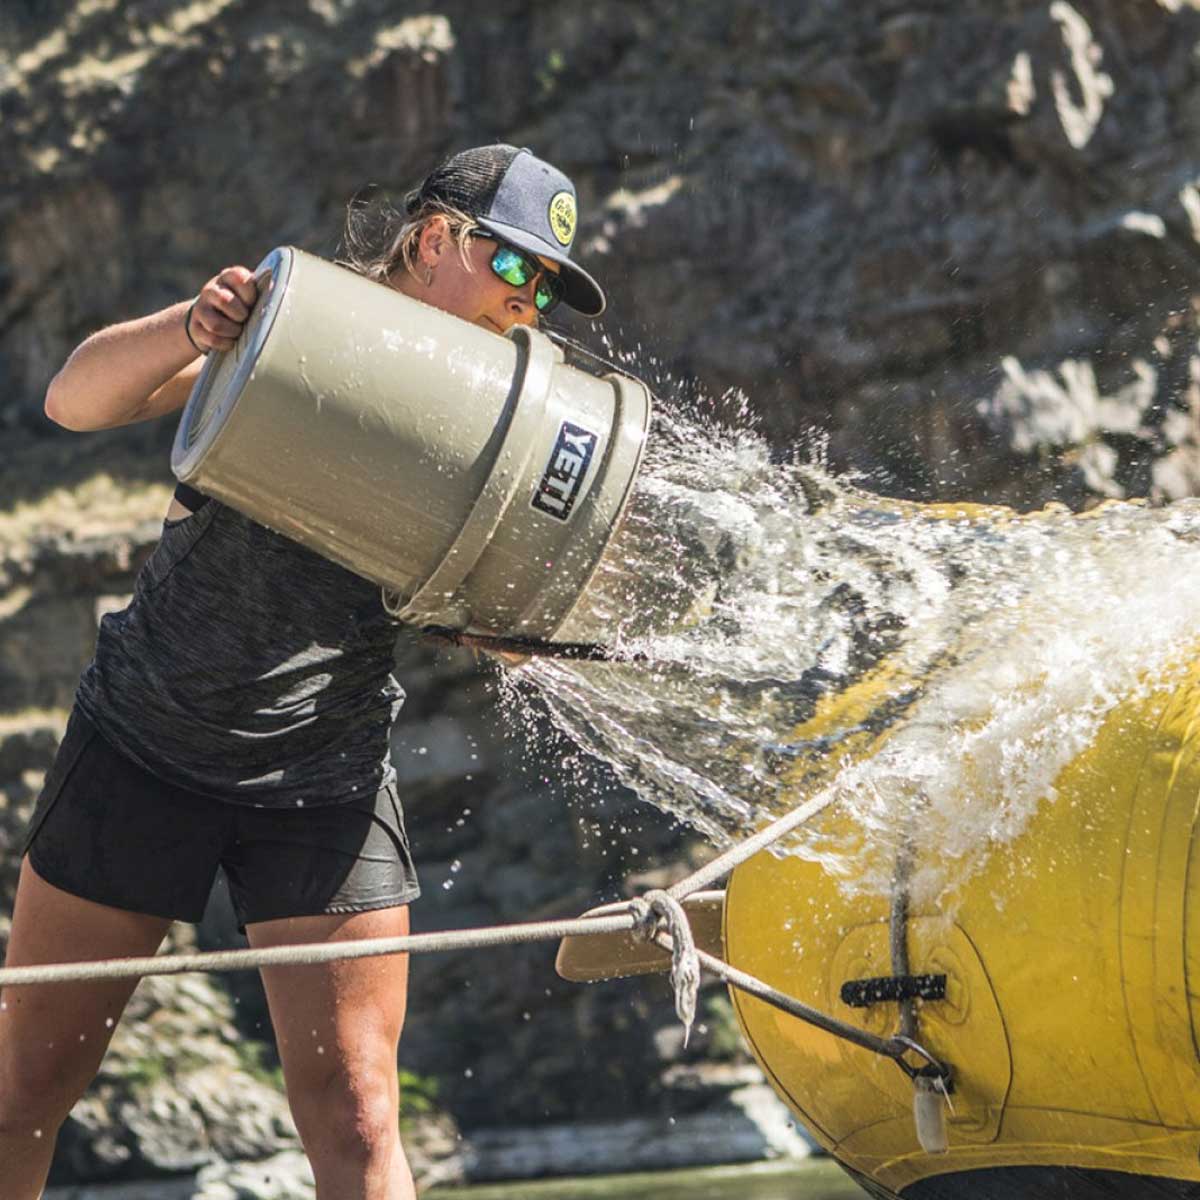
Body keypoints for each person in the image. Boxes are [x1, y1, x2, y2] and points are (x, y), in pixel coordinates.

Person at [0, 144, 606, 1200]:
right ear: (432, 240)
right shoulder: (298, 331)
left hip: (324, 778)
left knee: (363, 1120)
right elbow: (71, 402)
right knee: (22, 1092)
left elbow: (511, 606)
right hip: (147, 740)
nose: (532, 304)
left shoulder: (507, 418)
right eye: (517, 271)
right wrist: (194, 327)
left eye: (549, 287)